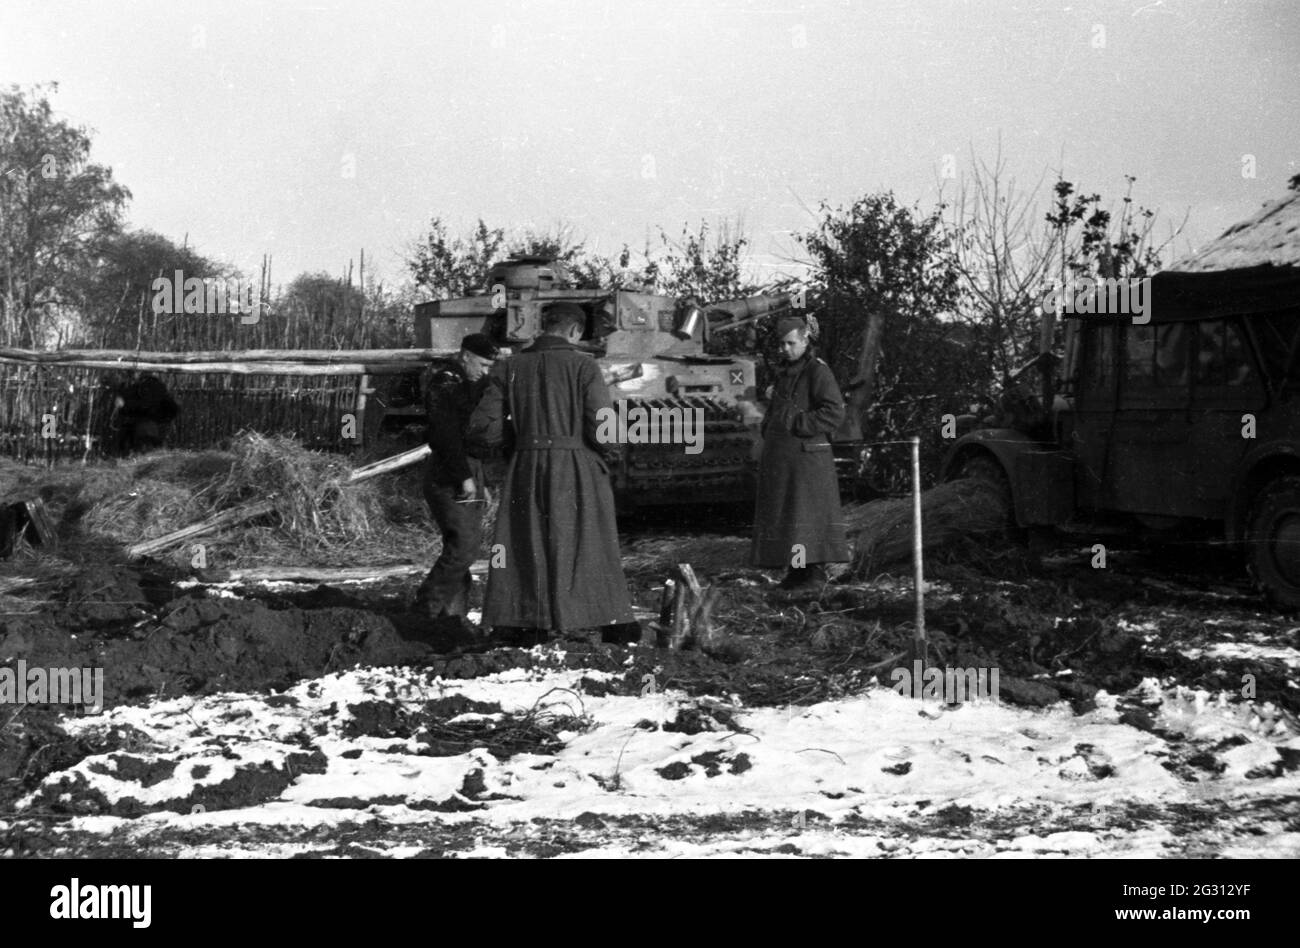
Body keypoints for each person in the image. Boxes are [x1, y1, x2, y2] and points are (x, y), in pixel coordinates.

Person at [467, 302, 634, 643]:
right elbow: (605, 428)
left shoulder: (508, 367)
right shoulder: (585, 367)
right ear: (575, 331)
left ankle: (519, 621)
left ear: (543, 326)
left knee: (522, 542)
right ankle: (604, 619)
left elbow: (484, 429)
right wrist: (610, 455)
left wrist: (516, 446)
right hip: (576, 465)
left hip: (526, 465)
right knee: (589, 541)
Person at [751, 315, 849, 593]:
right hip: (786, 460)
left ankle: (814, 575)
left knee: (808, 518)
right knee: (791, 519)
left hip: (807, 460)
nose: (784, 349)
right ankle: (796, 573)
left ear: (805, 340)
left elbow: (834, 413)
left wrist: (796, 423)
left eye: (790, 343)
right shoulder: (786, 372)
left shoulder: (818, 372)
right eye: (781, 344)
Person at [412, 333, 500, 632]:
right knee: (464, 547)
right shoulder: (446, 380)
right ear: (465, 356)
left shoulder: (467, 382)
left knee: (461, 545)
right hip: (448, 473)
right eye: (483, 364)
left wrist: (480, 478)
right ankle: (425, 609)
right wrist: (464, 477)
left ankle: (453, 618)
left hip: (467, 470)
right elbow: (444, 433)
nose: (485, 371)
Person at [111, 374, 179, 455]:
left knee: (145, 452)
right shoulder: (155, 386)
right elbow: (173, 408)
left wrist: (124, 405)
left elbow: (145, 405)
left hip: (146, 427)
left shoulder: (148, 385)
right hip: (151, 426)